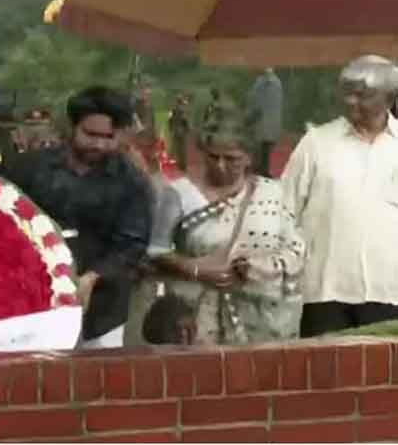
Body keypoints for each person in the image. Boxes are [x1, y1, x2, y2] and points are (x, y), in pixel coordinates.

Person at [127, 113, 305, 346]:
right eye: (213, 157)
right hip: (196, 316)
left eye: (232, 159)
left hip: (263, 318)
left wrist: (257, 268)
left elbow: (296, 249)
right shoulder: (180, 193)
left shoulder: (272, 194)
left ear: (248, 158)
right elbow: (156, 250)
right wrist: (198, 270)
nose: (220, 166)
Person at [3, 86, 152, 349]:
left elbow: (132, 245)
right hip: (33, 306)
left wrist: (92, 278)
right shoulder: (28, 168)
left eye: (108, 137)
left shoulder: (131, 182)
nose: (98, 144)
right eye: (90, 134)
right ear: (72, 127)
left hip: (101, 312)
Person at [283, 55, 398, 336]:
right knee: (323, 374)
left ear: (389, 97)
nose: (351, 102)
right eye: (347, 93)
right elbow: (284, 210)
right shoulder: (316, 143)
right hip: (324, 289)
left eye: (363, 95)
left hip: (390, 289)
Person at [247, 68, 284, 177]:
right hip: (272, 122)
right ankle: (263, 170)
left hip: (261, 121)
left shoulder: (261, 83)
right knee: (266, 148)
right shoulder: (277, 83)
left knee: (260, 147)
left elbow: (257, 104)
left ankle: (259, 170)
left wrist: (249, 118)